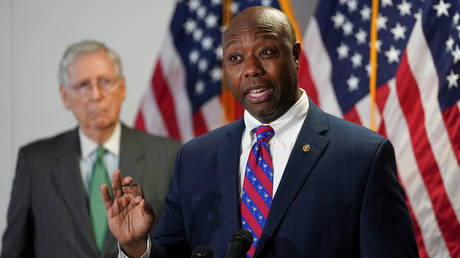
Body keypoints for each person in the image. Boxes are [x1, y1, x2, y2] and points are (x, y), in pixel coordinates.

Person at [103, 6, 419, 258]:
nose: (251, 69)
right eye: (235, 58)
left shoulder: (362, 155)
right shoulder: (195, 157)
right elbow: (172, 252)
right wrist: (136, 247)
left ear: (295, 55)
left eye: (265, 52)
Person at [1, 40, 180, 258]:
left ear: (122, 88)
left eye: (105, 81)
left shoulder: (169, 155)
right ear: (65, 96)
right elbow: (14, 251)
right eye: (83, 85)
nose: (96, 95)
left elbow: (180, 247)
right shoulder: (34, 161)